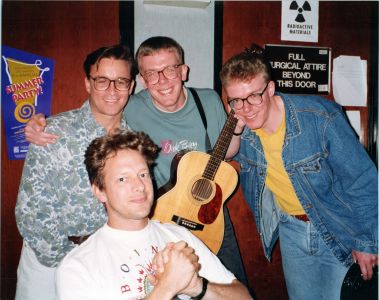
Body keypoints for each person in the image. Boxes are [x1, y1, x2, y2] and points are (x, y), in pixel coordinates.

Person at [24, 36, 249, 288]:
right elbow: (99, 105)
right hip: (154, 224)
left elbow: (226, 153)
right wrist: (40, 125)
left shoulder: (202, 103)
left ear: (183, 71)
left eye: (170, 69)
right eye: (152, 73)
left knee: (227, 285)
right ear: (140, 81)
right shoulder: (125, 109)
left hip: (199, 216)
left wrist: (237, 129)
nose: (162, 80)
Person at [221, 44, 378, 299]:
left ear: (270, 89)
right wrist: (235, 126)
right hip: (291, 229)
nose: (246, 108)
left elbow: (362, 180)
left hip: (337, 225)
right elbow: (224, 154)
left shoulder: (319, 117)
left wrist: (366, 241)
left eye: (253, 96)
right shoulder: (245, 127)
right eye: (236, 100)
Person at [56, 130, 252, 300]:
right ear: (99, 191)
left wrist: (196, 287)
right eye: (123, 179)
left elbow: (244, 296)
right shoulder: (78, 266)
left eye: (143, 174)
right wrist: (167, 286)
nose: (139, 186)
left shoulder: (180, 236)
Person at [15, 45, 135, 300]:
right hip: (46, 261)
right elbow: (30, 212)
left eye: (121, 81)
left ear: (131, 87)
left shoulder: (133, 142)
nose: (112, 90)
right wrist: (68, 259)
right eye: (102, 80)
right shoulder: (53, 132)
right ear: (88, 84)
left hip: (104, 261)